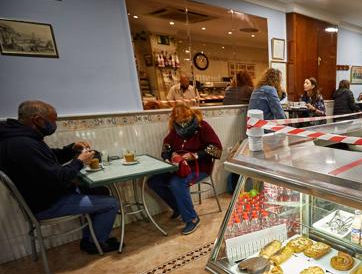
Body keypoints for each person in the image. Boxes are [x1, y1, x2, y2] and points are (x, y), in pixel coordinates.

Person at [0, 100, 119, 254]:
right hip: (47, 204)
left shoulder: (20, 138)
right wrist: (79, 162)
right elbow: (59, 179)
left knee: (100, 190)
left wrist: (70, 149)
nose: (54, 124)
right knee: (111, 203)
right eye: (53, 120)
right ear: (38, 120)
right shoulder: (23, 145)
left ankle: (93, 238)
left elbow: (48, 159)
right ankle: (94, 244)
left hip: (44, 196)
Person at [147, 105, 222, 235]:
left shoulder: (202, 126)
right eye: (179, 121)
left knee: (177, 183)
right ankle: (179, 208)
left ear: (191, 115)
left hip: (200, 167)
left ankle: (192, 219)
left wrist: (195, 155)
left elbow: (216, 149)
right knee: (154, 181)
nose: (182, 124)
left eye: (185, 120)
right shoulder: (175, 129)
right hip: (178, 167)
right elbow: (167, 147)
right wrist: (170, 157)